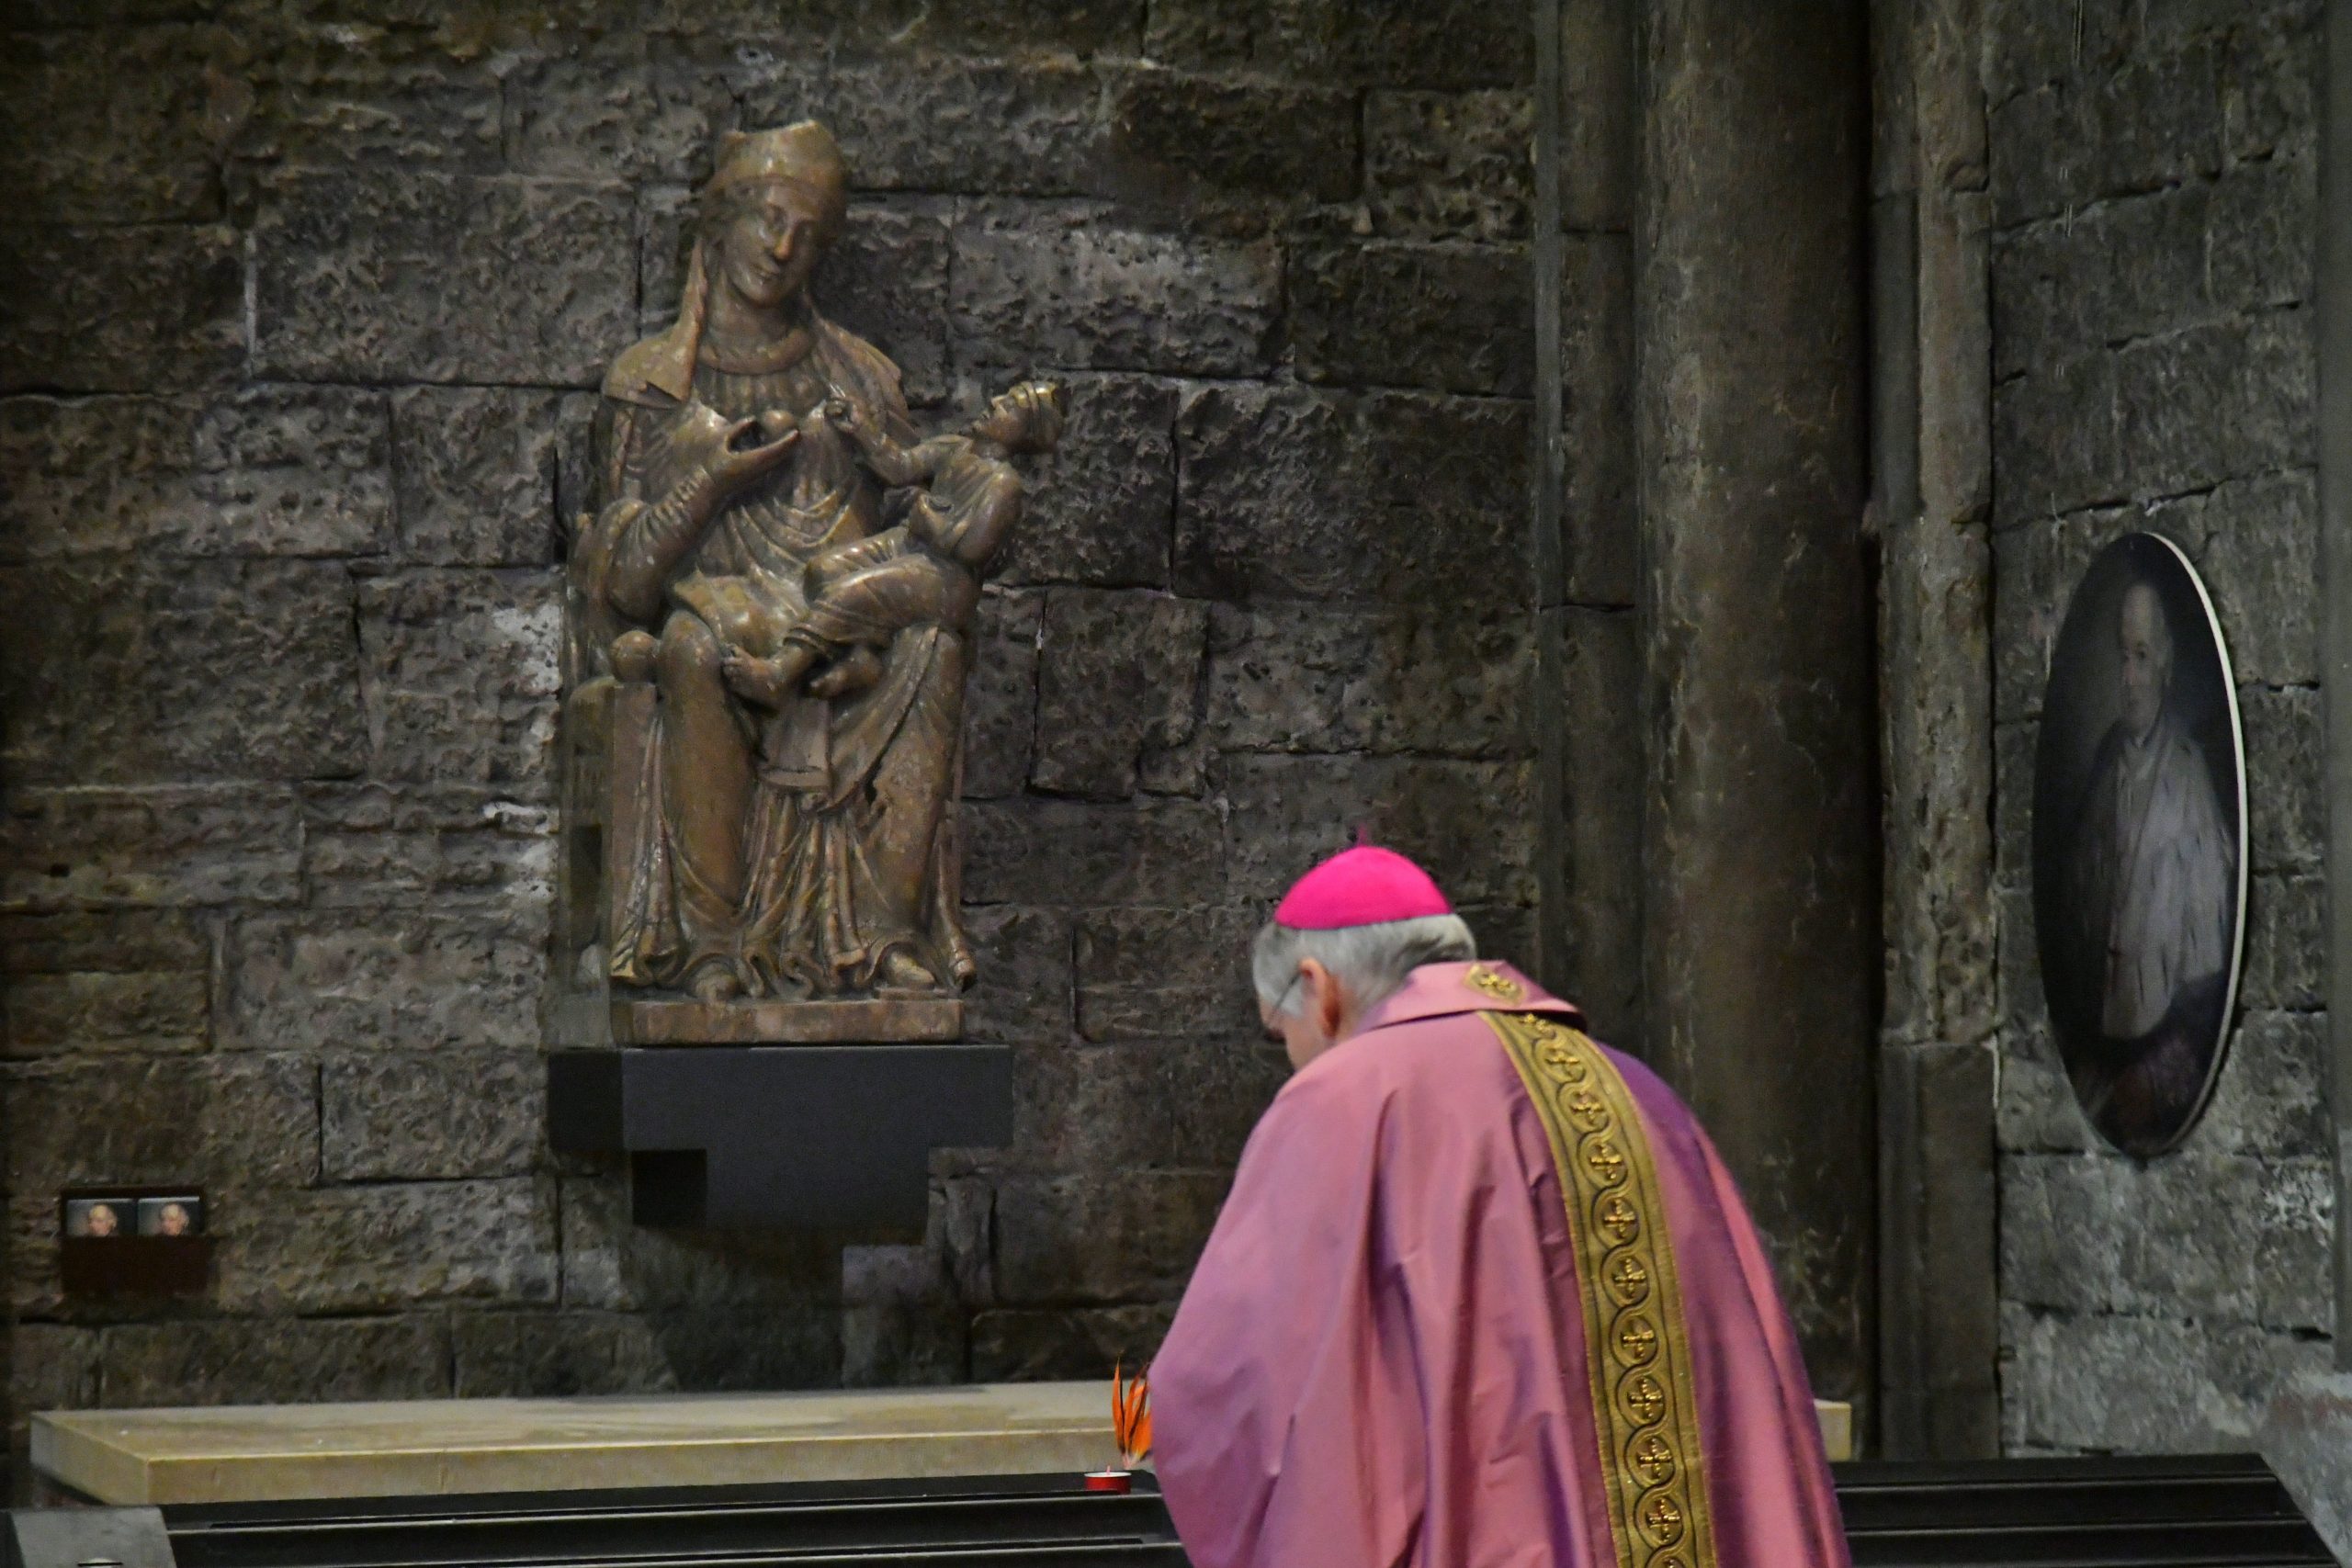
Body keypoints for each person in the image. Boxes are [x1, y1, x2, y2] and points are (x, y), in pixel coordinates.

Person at [1151, 845, 1849, 1568]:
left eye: (1282, 1032)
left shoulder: (1345, 1100)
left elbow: (1223, 1384)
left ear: (1318, 987)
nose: (1294, 1057)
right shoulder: (1634, 1086)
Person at [577, 121, 976, 1003]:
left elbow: (908, 531)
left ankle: (882, 935)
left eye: (806, 231)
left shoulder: (863, 378)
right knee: (687, 648)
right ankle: (711, 945)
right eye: (765, 217)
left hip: (838, 633)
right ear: (721, 223)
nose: (782, 246)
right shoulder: (650, 385)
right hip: (716, 630)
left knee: (935, 652)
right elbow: (626, 589)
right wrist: (707, 485)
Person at [719, 380, 1067, 708]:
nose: (994, 403)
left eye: (1009, 407)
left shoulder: (1003, 484)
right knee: (824, 570)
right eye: (1002, 397)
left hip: (949, 581)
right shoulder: (957, 448)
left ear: (1024, 432)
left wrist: (926, 518)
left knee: (850, 591)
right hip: (912, 546)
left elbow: (972, 550)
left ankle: (780, 673)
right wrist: (861, 428)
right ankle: (863, 655)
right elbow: (901, 466)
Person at [2060, 580, 2235, 1153]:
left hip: (2161, 1047)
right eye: (2123, 656)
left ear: (2164, 665)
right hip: (2103, 1052)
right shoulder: (2105, 766)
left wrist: (2157, 1076)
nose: (2129, 678)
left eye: (2142, 657)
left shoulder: (2189, 778)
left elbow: (2207, 977)